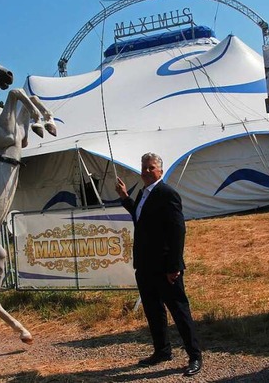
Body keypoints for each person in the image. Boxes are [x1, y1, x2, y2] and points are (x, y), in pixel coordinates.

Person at [115, 152, 202, 377]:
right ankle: (162, 351)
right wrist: (125, 198)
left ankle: (194, 356)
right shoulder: (144, 193)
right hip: (144, 266)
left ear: (160, 171)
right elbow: (139, 218)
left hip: (165, 267)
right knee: (154, 312)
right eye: (144, 167)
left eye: (151, 167)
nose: (146, 171)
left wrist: (174, 266)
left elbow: (177, 230)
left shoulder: (167, 193)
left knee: (179, 311)